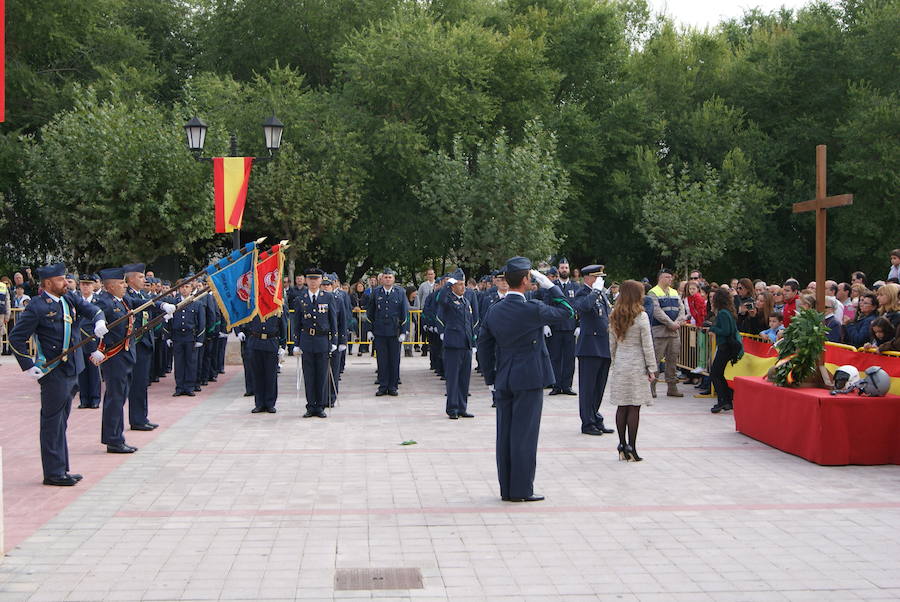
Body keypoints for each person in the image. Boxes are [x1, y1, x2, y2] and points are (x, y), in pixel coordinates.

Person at [477, 257, 573, 502]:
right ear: (525, 280)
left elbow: (484, 346)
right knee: (524, 435)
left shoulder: (494, 309)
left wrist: (490, 378)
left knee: (505, 434)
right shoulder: (532, 309)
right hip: (529, 377)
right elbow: (567, 312)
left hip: (504, 378)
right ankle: (521, 490)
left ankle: (506, 488)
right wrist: (551, 287)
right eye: (531, 277)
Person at [9, 263, 107, 486]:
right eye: (61, 279)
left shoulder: (69, 298)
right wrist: (27, 365)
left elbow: (91, 309)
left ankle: (62, 467)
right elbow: (16, 337)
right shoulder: (37, 306)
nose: (66, 282)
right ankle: (53, 473)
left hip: (73, 369)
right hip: (53, 371)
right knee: (52, 422)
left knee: (61, 422)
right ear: (48, 283)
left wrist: (99, 319)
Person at [93, 267, 174, 453]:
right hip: (114, 357)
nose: (124, 286)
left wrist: (161, 306)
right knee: (115, 398)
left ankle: (115, 436)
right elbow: (89, 324)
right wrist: (95, 349)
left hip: (125, 356)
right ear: (111, 286)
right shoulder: (104, 302)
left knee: (119, 397)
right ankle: (114, 440)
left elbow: (140, 303)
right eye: (121, 283)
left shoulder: (123, 300)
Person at [605, 280, 657, 462]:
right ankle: (632, 448)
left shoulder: (614, 315)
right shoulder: (641, 316)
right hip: (637, 365)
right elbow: (647, 345)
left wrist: (615, 362)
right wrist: (652, 368)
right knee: (634, 407)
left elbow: (611, 345)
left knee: (622, 406)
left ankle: (621, 444)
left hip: (621, 362)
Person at [572, 264, 615, 436]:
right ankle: (587, 422)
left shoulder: (601, 294)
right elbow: (584, 307)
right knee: (588, 388)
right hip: (589, 347)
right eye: (597, 277)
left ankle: (595, 417)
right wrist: (595, 291)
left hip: (603, 346)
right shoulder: (583, 293)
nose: (600, 281)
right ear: (588, 278)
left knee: (599, 387)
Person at [292, 268, 338, 417]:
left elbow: (333, 320)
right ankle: (311, 406)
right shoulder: (301, 298)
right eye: (310, 279)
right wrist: (296, 343)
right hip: (307, 341)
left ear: (320, 280)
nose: (313, 282)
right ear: (306, 280)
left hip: (322, 340)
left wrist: (335, 340)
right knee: (309, 375)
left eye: (316, 279)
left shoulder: (328, 297)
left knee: (322, 375)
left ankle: (320, 406)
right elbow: (297, 323)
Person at [123, 263, 161, 432]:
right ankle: (137, 419)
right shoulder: (127, 295)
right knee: (137, 383)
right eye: (140, 276)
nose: (143, 279)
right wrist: (158, 305)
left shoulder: (143, 294)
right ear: (130, 279)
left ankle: (142, 416)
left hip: (145, 343)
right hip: (136, 344)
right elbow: (138, 306)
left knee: (142, 383)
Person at [437, 269, 476, 419]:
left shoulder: (465, 301)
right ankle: (452, 408)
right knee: (453, 379)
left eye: (463, 284)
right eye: (459, 284)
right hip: (453, 344)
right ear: (453, 286)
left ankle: (462, 407)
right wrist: (448, 284)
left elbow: (469, 323)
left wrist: (473, 341)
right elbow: (440, 300)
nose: (463, 287)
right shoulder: (448, 299)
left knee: (464, 379)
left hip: (465, 344)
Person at [366, 268, 409, 397]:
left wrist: (403, 331)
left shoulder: (400, 292)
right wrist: (369, 330)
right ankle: (383, 386)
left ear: (393, 279)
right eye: (385, 277)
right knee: (382, 360)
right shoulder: (376, 292)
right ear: (382, 279)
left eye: (390, 277)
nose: (388, 279)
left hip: (394, 332)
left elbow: (404, 313)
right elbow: (370, 312)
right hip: (380, 332)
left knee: (394, 360)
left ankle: (393, 386)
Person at [646, 268, 686, 398]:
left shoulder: (674, 292)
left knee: (672, 361)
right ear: (660, 278)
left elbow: (682, 309)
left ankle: (672, 387)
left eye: (671, 277)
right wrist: (671, 324)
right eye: (667, 277)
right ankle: (652, 387)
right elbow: (657, 312)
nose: (670, 279)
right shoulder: (653, 292)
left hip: (674, 333)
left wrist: (678, 322)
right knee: (655, 361)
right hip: (660, 332)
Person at [707, 288, 742, 414]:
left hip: (725, 347)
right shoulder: (728, 312)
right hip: (728, 347)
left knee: (715, 374)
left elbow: (726, 331)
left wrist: (714, 329)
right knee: (719, 374)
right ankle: (727, 400)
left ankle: (722, 400)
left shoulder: (723, 313)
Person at [244, 311, 285, 413]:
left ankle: (270, 403)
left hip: (271, 342)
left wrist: (283, 345)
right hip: (255, 342)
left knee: (271, 375)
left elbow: (283, 326)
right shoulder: (253, 305)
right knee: (257, 375)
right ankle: (259, 403)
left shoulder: (277, 306)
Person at [168, 281, 205, 397]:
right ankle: (179, 387)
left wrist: (200, 338)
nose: (184, 289)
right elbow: (167, 320)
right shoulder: (173, 303)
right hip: (177, 337)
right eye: (182, 287)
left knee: (191, 363)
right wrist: (167, 336)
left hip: (190, 337)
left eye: (187, 287)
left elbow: (202, 322)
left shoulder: (196, 303)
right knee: (179, 363)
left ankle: (189, 387)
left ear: (191, 288)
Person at [76, 274, 103, 409]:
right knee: (82, 371)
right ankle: (84, 398)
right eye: (83, 284)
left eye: (88, 284)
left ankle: (95, 398)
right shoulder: (75, 301)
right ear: (79, 285)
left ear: (93, 286)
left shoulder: (99, 301)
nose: (86, 287)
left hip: (93, 341)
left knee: (93, 371)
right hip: (79, 341)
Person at [323, 273, 348, 405]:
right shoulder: (319, 299)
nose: (326, 287)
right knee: (322, 371)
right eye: (324, 285)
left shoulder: (338, 299)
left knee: (334, 370)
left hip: (335, 339)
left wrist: (343, 341)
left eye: (328, 285)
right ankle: (322, 396)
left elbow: (343, 321)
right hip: (321, 339)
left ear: (332, 285)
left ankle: (331, 397)